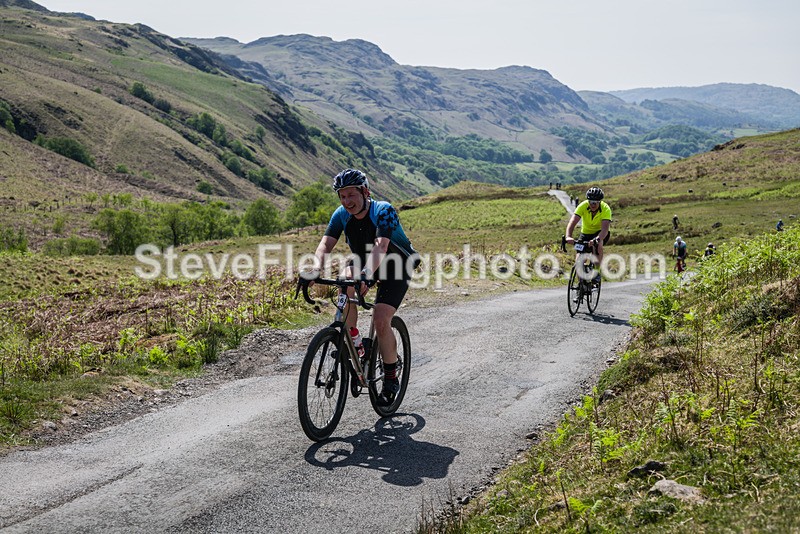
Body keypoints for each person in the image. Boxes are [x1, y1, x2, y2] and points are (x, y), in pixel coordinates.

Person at [304, 169, 419, 405]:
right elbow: (325, 244)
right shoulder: (341, 215)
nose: (347, 202)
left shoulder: (383, 210)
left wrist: (367, 276)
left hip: (396, 264)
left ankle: (390, 377)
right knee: (344, 284)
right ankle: (356, 343)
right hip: (364, 261)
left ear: (365, 192)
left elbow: (381, 246)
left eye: (351, 195)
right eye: (342, 197)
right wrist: (314, 270)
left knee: (380, 319)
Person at [565, 187, 612, 281]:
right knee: (579, 260)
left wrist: (597, 239)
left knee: (598, 245)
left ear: (600, 202)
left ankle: (596, 271)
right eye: (591, 202)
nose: (593, 204)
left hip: (600, 233)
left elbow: (605, 229)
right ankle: (581, 287)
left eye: (596, 202)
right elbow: (572, 222)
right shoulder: (582, 206)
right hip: (585, 234)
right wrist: (568, 236)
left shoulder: (606, 209)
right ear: (588, 201)